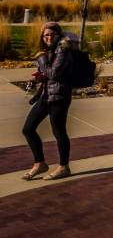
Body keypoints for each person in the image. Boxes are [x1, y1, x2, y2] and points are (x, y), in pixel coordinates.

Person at [21, 22, 74, 181]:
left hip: (59, 97)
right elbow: (47, 73)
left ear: (58, 35)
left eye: (52, 34)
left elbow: (54, 73)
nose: (49, 37)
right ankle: (40, 163)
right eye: (46, 35)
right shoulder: (48, 50)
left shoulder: (63, 49)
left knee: (59, 132)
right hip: (46, 96)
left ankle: (64, 167)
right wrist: (38, 76)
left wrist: (42, 60)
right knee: (28, 129)